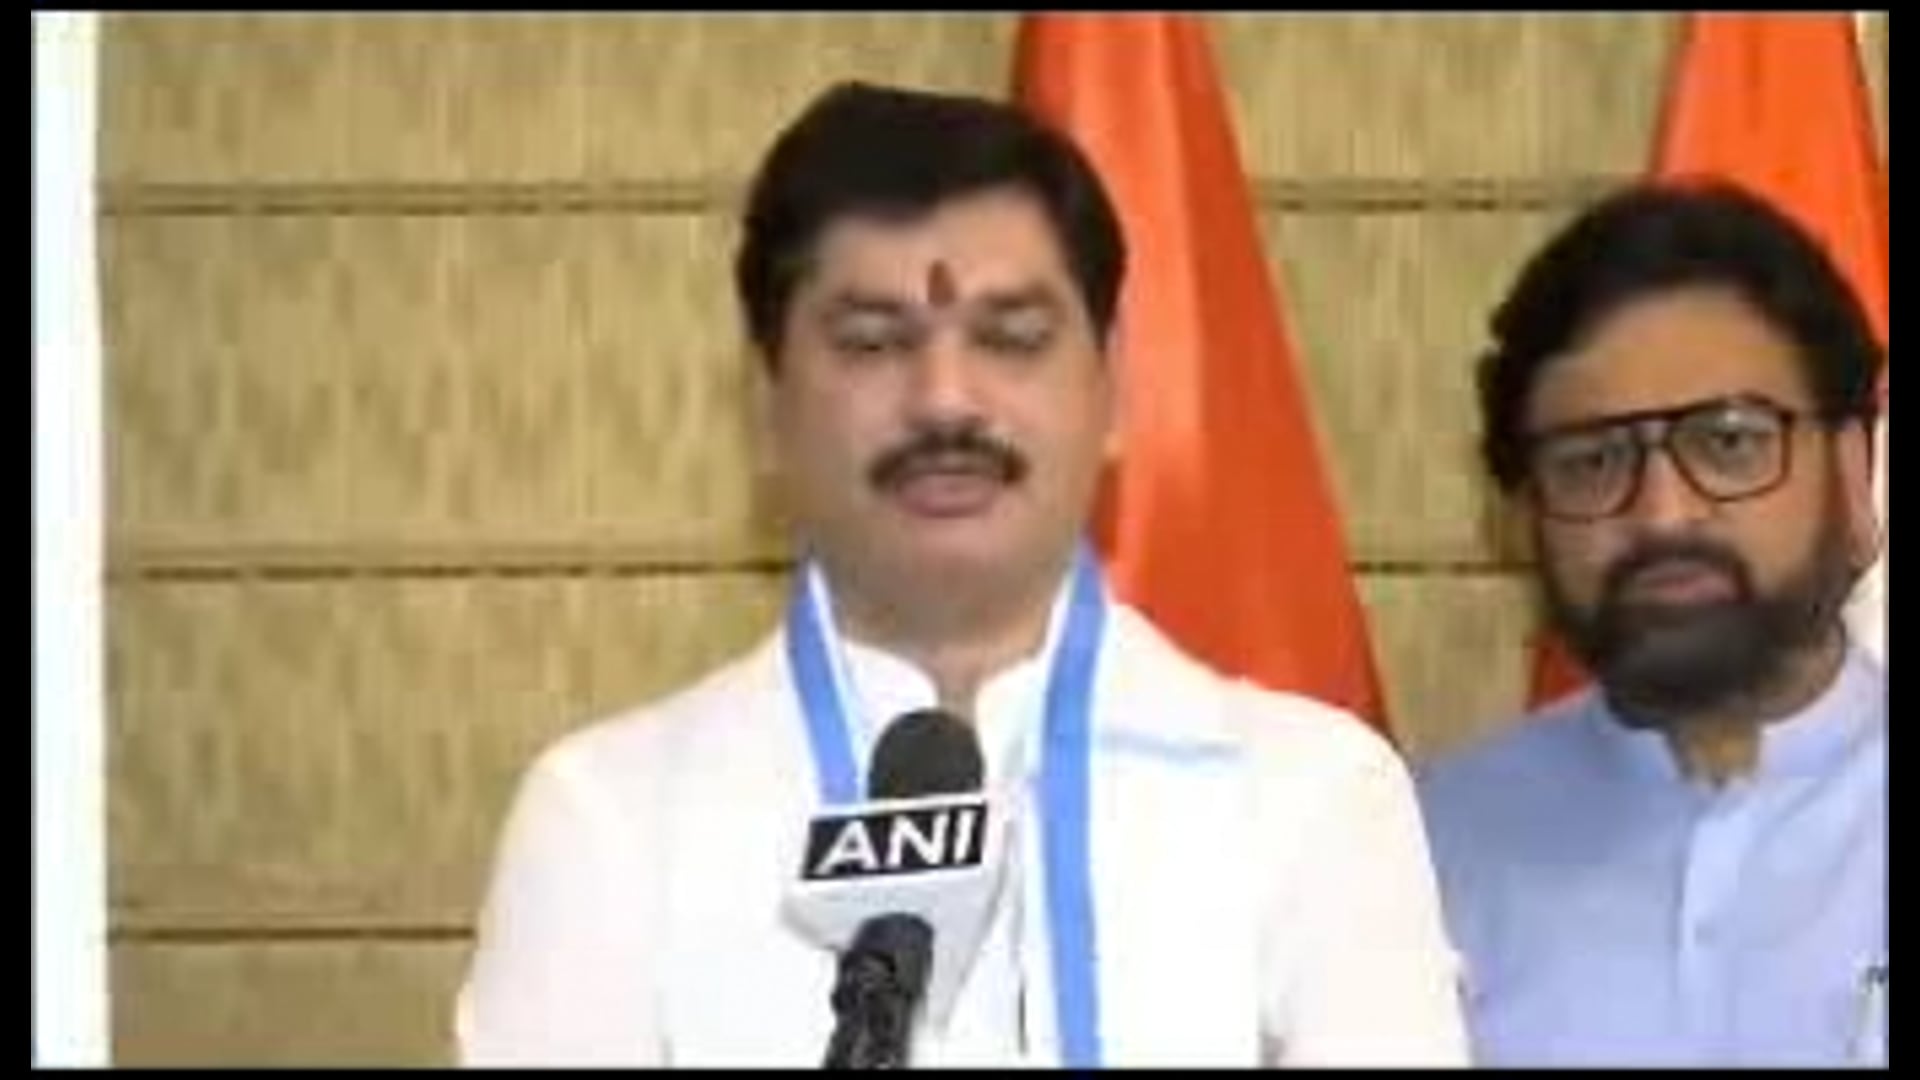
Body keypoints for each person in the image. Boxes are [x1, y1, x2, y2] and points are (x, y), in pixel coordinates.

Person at [453, 81, 1467, 1067]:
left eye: (1010, 339)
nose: (944, 399)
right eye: (873, 342)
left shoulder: (1314, 798)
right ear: (765, 404)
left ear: (1115, 387)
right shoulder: (611, 820)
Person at [1417, 181, 1888, 1066]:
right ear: (1518, 518)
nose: (1664, 514)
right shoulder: (1413, 853)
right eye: (1593, 461)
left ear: (1854, 476)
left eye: (1731, 442)